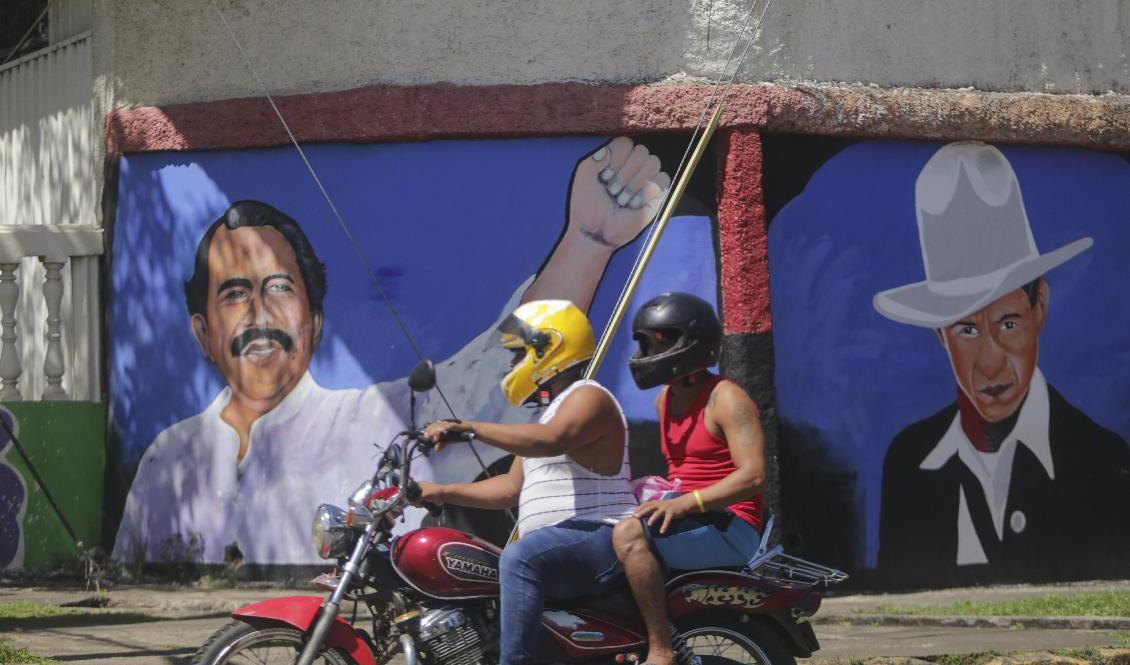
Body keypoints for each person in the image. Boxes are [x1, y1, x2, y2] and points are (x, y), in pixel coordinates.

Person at [112, 136, 671, 565]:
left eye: (280, 288)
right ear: (202, 332)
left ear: (315, 321)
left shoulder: (374, 418)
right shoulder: (166, 457)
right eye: (234, 294)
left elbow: (493, 372)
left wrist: (587, 243)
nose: (259, 313)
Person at [875, 141, 1130, 586]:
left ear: (1040, 308)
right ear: (940, 334)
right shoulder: (909, 460)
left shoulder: (1100, 459)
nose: (991, 365)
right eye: (966, 330)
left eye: (1008, 323)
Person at [416, 300, 637, 665]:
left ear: (548, 348)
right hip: (562, 547)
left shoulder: (589, 397)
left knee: (520, 557)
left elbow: (554, 440)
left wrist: (471, 428)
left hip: (601, 536)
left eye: (518, 356)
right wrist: (440, 492)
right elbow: (509, 488)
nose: (511, 366)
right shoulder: (546, 415)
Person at [611, 292, 767, 665]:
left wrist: (687, 503)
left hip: (732, 527)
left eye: (656, 341)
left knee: (628, 536)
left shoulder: (726, 398)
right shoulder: (665, 400)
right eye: (645, 342)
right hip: (690, 519)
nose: (647, 351)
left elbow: (755, 476)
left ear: (689, 343)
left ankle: (661, 650)